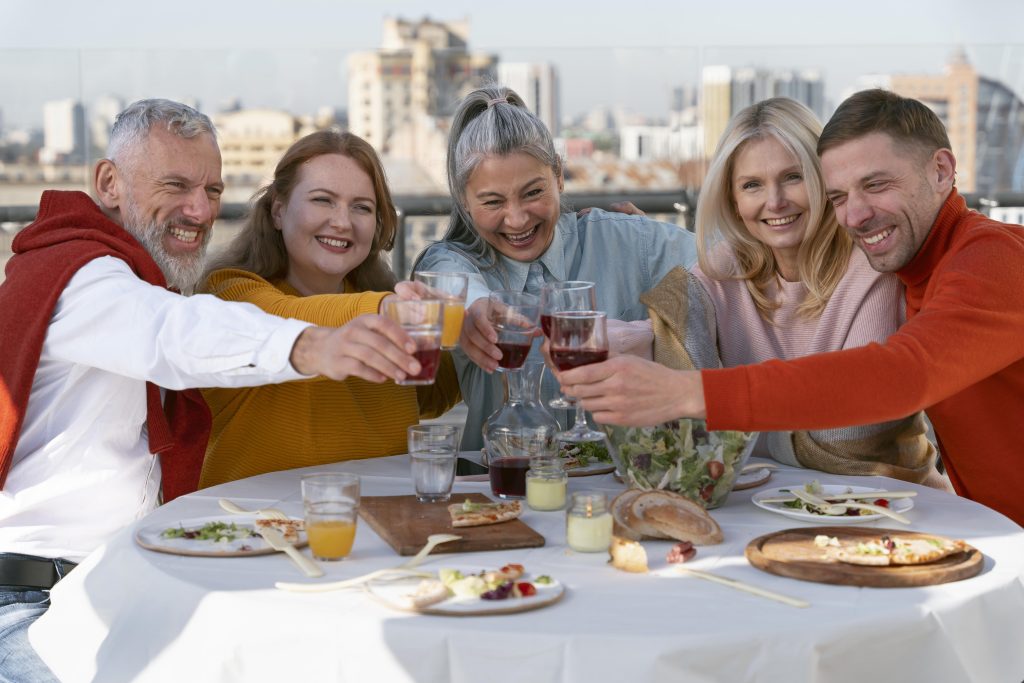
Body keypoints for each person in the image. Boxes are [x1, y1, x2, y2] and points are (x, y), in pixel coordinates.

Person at [0, 99, 424, 680]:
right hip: (34, 604)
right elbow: (172, 335)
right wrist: (313, 345)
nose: (199, 210)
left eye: (214, 191)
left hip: (119, 581)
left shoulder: (126, 274)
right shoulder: (83, 275)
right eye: (175, 185)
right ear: (108, 182)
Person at [556, 89, 1024, 526]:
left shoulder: (992, 259)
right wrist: (644, 336)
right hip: (988, 525)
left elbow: (906, 374)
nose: (856, 215)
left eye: (877, 184)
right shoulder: (918, 266)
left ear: (942, 170)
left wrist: (692, 392)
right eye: (840, 196)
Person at [413, 84, 698, 449]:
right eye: (492, 201)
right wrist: (472, 312)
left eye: (533, 192)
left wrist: (649, 331)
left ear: (559, 176)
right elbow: (454, 286)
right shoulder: (451, 261)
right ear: (464, 202)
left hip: (615, 483)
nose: (516, 220)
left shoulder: (626, 242)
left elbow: (734, 267)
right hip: (495, 491)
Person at [672, 97, 937, 484]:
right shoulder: (720, 271)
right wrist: (646, 336)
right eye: (752, 185)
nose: (775, 201)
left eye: (793, 177)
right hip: (760, 505)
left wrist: (740, 430)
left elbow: (849, 436)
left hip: (885, 502)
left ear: (824, 180)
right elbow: (689, 425)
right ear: (733, 199)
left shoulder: (872, 267)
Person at [198, 130, 460, 486]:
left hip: (382, 527)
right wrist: (389, 309)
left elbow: (434, 393)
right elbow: (285, 318)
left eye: (362, 207)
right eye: (323, 200)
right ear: (278, 210)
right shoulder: (229, 294)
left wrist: (475, 335)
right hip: (256, 532)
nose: (343, 222)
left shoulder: (381, 304)